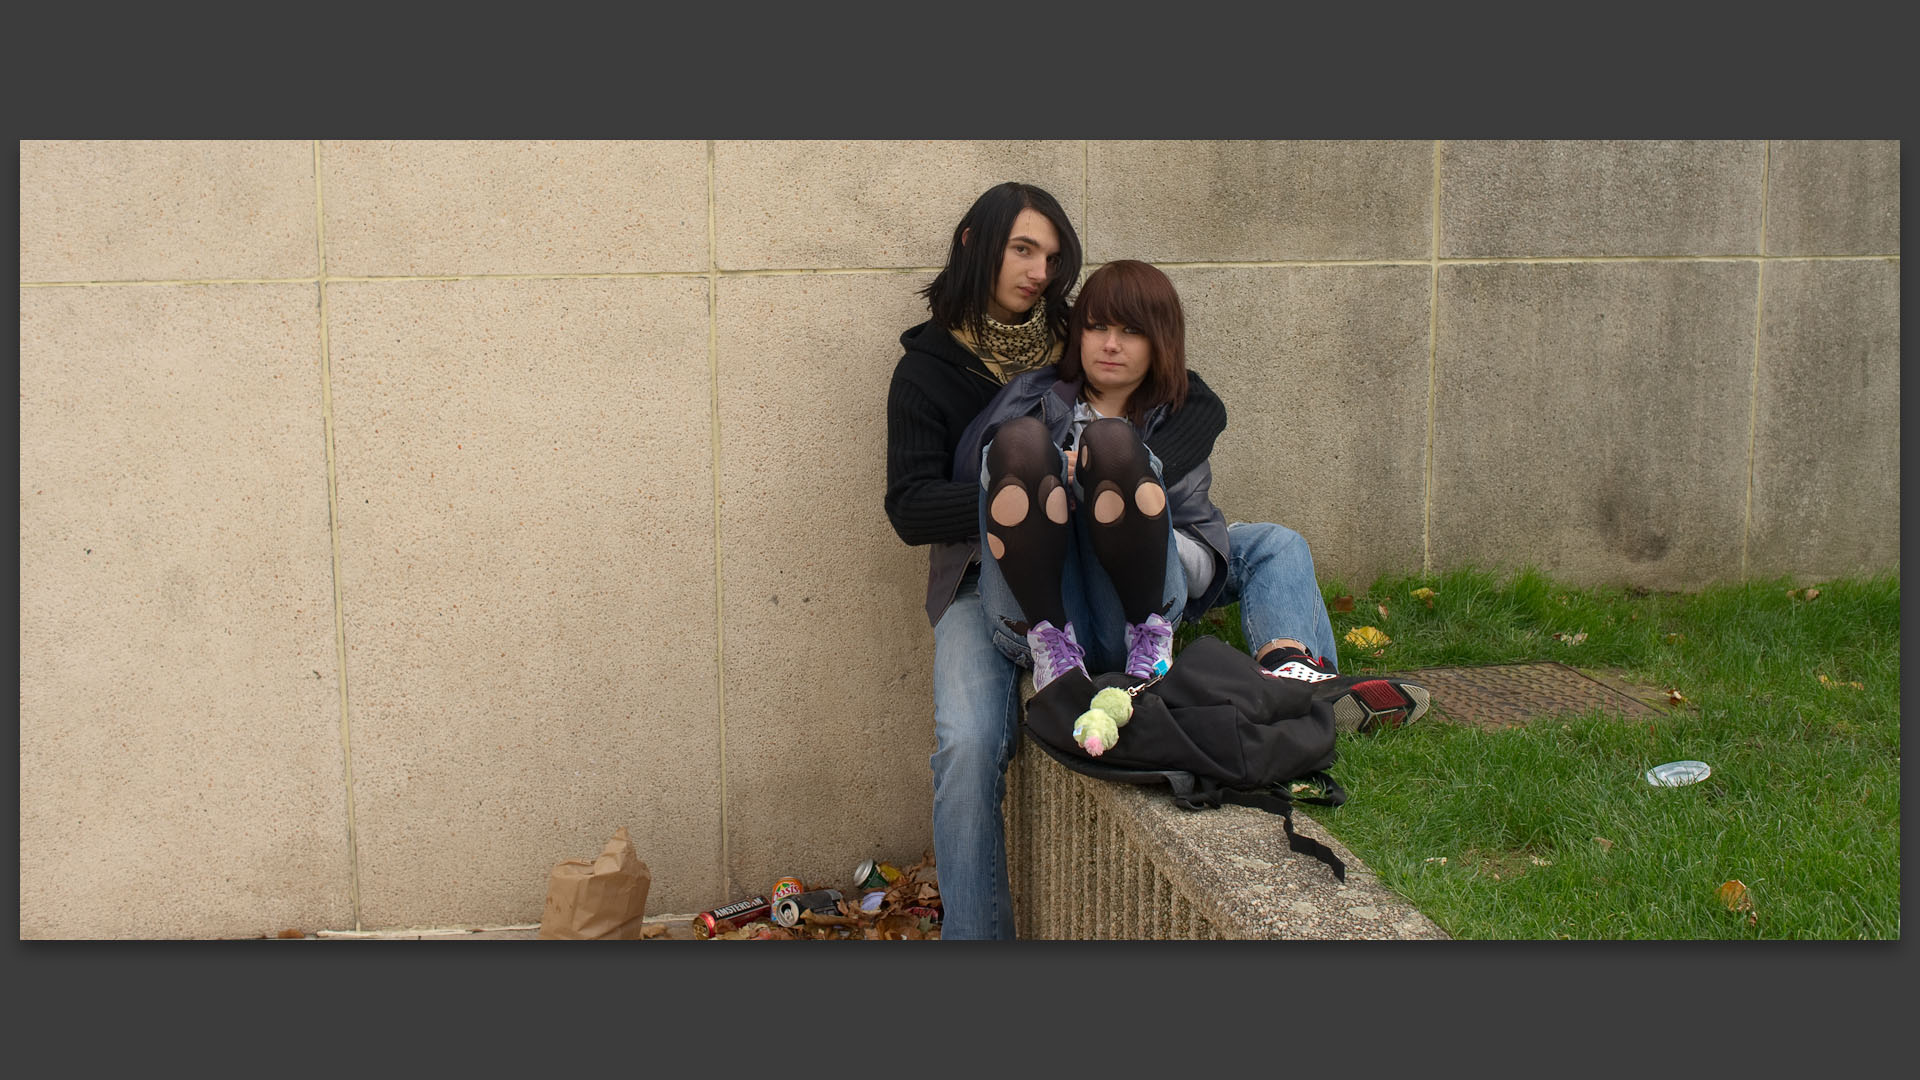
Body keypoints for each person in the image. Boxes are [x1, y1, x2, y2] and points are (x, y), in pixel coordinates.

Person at [883, 183, 1415, 940]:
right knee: (966, 744)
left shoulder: (1077, 328)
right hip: (994, 577)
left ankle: (1300, 678)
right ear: (976, 245)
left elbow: (1189, 396)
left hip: (1133, 551)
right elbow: (909, 508)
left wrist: (1129, 482)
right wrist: (1027, 497)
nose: (1040, 272)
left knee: (1274, 543)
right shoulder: (933, 371)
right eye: (1023, 250)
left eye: (1053, 257)